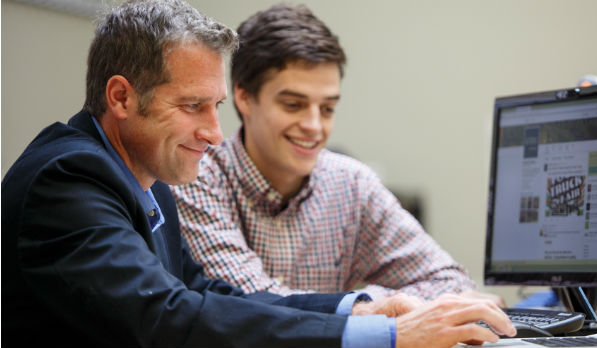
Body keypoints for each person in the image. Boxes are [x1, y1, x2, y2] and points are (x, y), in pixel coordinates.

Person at [1, 0, 515, 347]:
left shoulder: (146, 176)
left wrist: (356, 311)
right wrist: (391, 337)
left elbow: (205, 294)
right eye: (193, 106)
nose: (213, 131)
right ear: (121, 98)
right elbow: (166, 316)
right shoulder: (70, 177)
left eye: (216, 106)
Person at [172, 3, 504, 305]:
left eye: (328, 108)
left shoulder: (351, 182)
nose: (314, 126)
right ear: (244, 97)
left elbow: (453, 283)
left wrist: (369, 302)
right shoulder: (195, 177)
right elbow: (256, 307)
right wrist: (377, 304)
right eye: (293, 105)